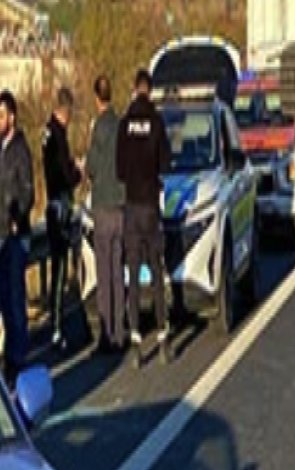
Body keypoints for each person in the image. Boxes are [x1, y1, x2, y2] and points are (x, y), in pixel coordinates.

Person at [116, 68, 171, 361]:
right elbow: (166, 163)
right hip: (151, 206)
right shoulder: (157, 122)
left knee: (134, 275)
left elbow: (119, 170)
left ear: (134, 89)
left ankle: (136, 339)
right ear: (150, 90)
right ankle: (163, 337)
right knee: (157, 272)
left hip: (131, 208)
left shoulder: (125, 125)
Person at [0, 90, 35, 382]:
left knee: (16, 297)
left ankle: (19, 356)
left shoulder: (20, 149)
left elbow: (28, 190)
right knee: (3, 297)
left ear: (12, 117)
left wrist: (18, 217)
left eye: (1, 115)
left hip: (15, 233)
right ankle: (9, 355)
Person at [86, 74, 128, 354]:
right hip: (121, 205)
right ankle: (120, 329)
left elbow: (90, 168)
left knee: (104, 271)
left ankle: (106, 332)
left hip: (102, 205)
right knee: (117, 268)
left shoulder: (98, 129)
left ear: (95, 97)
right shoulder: (121, 126)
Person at [42, 87, 84, 349]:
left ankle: (58, 324)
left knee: (60, 267)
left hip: (53, 205)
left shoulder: (48, 134)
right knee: (59, 270)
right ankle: (57, 327)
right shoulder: (57, 136)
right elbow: (62, 175)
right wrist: (77, 171)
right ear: (65, 111)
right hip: (60, 206)